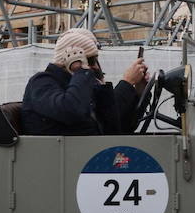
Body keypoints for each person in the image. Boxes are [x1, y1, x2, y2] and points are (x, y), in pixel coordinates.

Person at [20, 28, 149, 135]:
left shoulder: (79, 86)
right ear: (72, 59)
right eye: (91, 61)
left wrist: (138, 92)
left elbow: (115, 127)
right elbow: (71, 110)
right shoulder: (41, 82)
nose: (96, 67)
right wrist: (81, 70)